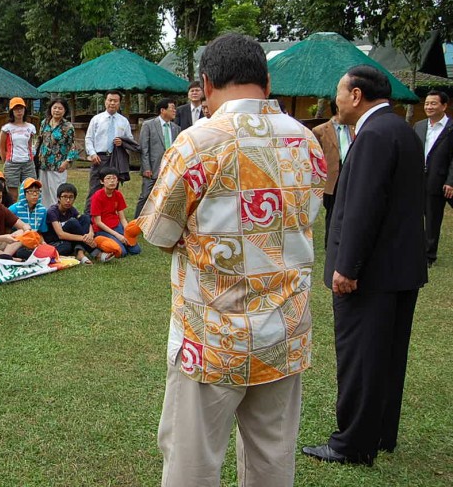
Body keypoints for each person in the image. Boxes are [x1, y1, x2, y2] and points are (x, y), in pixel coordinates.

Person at [136, 33, 327, 486]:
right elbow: (305, 218)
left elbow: (161, 233)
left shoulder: (197, 142)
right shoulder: (307, 142)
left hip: (212, 338)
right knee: (273, 461)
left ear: (206, 82)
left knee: (192, 464)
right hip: (284, 331)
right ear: (266, 79)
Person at [303, 65, 427, 467]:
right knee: (388, 356)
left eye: (338, 93)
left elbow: (363, 206)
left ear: (356, 95)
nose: (334, 101)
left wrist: (347, 267)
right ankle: (380, 432)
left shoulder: (373, 135)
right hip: (399, 270)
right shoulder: (402, 130)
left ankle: (352, 443)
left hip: (369, 274)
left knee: (361, 359)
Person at [413, 90, 453, 267]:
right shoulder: (419, 126)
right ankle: (413, 250)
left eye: (433, 103)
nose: (428, 106)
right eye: (427, 103)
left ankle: (429, 255)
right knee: (413, 215)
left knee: (432, 218)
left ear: (444, 106)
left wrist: (450, 181)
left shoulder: (451, 128)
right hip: (417, 179)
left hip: (439, 180)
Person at [312, 107, 354, 246]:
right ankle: (330, 242)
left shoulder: (354, 128)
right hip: (332, 177)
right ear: (338, 108)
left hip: (350, 173)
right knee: (332, 212)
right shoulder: (320, 130)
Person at [84, 90, 130, 213]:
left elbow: (130, 140)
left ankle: (109, 216)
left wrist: (123, 143)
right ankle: (89, 218)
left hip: (116, 158)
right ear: (105, 101)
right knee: (94, 189)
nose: (112, 103)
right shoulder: (97, 119)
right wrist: (92, 153)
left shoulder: (123, 121)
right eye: (110, 100)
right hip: (99, 158)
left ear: (119, 103)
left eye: (115, 101)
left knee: (112, 190)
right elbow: (89, 138)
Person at [42, 183, 110, 264]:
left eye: (71, 197)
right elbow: (60, 234)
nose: (68, 200)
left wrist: (90, 234)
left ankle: (80, 253)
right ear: (58, 198)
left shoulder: (71, 209)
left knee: (85, 218)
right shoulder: (52, 211)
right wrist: (84, 239)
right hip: (55, 241)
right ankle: (96, 253)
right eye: (65, 197)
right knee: (72, 225)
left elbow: (85, 221)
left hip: (68, 238)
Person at [135, 98, 180, 218]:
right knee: (145, 195)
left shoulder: (176, 128)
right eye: (172, 108)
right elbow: (144, 148)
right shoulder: (149, 125)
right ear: (162, 110)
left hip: (169, 168)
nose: (174, 111)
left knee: (165, 196)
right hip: (152, 168)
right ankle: (136, 222)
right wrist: (146, 168)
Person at [37, 97, 78, 208]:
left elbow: (73, 146)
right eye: (54, 108)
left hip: (58, 165)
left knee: (56, 192)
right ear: (50, 109)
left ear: (64, 111)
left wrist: (67, 162)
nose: (57, 110)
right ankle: (45, 216)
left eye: (60, 108)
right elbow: (40, 140)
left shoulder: (68, 126)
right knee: (43, 192)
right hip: (43, 164)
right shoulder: (44, 123)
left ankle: (56, 216)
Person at [90, 167, 140, 257]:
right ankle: (99, 241)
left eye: (114, 178)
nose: (112, 181)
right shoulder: (97, 196)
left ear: (117, 181)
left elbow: (122, 218)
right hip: (102, 229)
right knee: (122, 252)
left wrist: (127, 231)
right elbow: (98, 222)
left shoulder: (118, 194)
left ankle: (115, 241)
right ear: (102, 182)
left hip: (116, 225)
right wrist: (118, 235)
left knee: (135, 250)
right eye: (108, 178)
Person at [0, 97, 37, 200]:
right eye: (16, 109)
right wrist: (6, 162)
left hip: (28, 163)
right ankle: (13, 214)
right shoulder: (7, 128)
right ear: (12, 111)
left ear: (25, 110)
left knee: (30, 191)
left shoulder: (31, 127)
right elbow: (1, 147)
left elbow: (30, 144)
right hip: (12, 163)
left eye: (21, 108)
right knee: (13, 195)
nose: (19, 111)